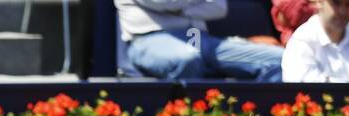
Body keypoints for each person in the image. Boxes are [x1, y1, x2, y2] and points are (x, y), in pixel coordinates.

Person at [116, 0, 285, 79]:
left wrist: (178, 10)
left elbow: (219, 8)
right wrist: (193, 5)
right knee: (188, 58)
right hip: (150, 39)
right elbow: (163, 2)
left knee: (279, 59)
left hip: (196, 38)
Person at [281, 0, 349, 79]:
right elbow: (303, 94)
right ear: (319, 2)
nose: (342, 11)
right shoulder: (301, 40)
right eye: (336, 3)